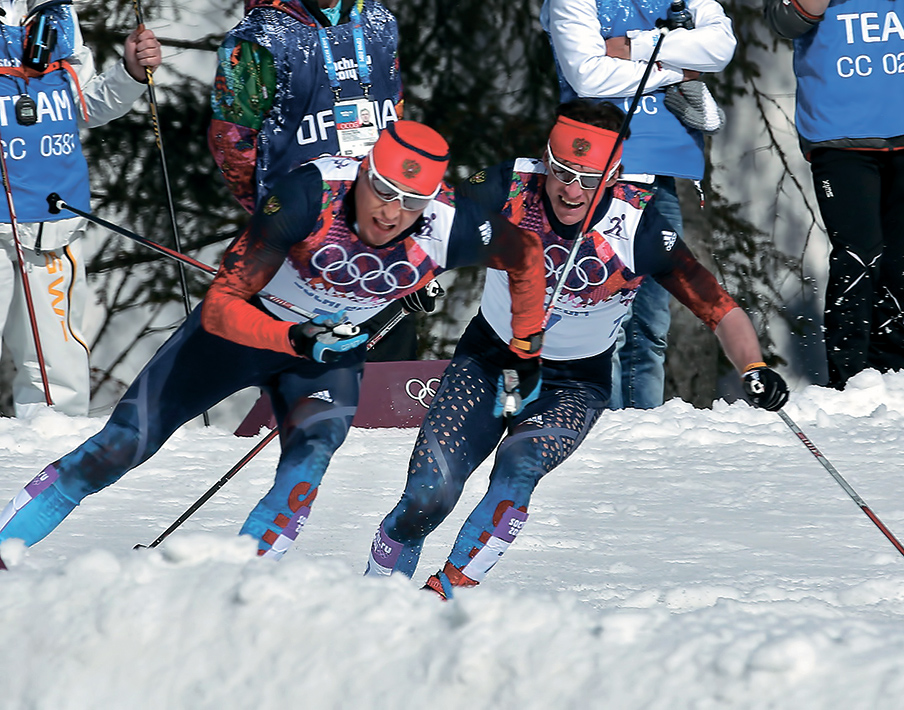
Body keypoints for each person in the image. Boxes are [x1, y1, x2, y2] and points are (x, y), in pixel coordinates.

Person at [0, 121, 546, 560]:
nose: (389, 211)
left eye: (410, 202)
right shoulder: (310, 195)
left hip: (325, 359)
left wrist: (526, 347)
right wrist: (294, 337)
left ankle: (235, 601)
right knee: (120, 447)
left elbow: (526, 259)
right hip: (243, 334)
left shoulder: (453, 225)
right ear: (362, 172)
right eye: (381, 189)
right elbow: (219, 306)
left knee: (303, 476)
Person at [364, 101, 788, 598]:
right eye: (562, 171)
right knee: (426, 497)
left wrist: (754, 366)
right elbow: (431, 226)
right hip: (490, 361)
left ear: (614, 174)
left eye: (588, 178)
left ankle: (443, 598)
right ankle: (374, 600)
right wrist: (419, 273)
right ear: (546, 159)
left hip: (571, 384)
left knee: (517, 473)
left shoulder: (640, 226)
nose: (570, 190)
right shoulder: (509, 187)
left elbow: (719, 309)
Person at [764, 0, 904, 389]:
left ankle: (893, 379)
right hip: (841, 134)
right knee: (858, 258)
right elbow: (785, 19)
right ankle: (849, 384)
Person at [541, 0, 735, 409]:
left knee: (651, 321)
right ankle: (599, 423)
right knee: (602, 314)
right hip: (593, 172)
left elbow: (720, 47)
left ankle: (641, 427)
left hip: (658, 171)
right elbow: (587, 75)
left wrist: (633, 46)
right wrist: (679, 70)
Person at [210, 0, 413, 360]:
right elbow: (231, 141)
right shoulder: (263, 35)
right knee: (305, 384)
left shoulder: (379, 20)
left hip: (382, 234)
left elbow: (394, 115)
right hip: (302, 241)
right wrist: (275, 212)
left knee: (384, 395)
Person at [0, 0, 162, 417]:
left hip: (54, 221)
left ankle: (53, 469)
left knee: (58, 378)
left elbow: (85, 105)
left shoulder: (57, 14)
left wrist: (128, 72)